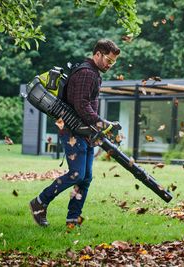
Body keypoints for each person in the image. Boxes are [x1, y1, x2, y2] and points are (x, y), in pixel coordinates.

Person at [30, 39, 120, 228]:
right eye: (108, 60)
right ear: (97, 54)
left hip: (84, 132)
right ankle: (39, 202)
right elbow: (81, 105)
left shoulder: (92, 72)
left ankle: (73, 219)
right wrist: (102, 123)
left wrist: (98, 126)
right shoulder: (87, 73)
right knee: (77, 174)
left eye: (113, 62)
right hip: (73, 131)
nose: (110, 65)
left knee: (85, 177)